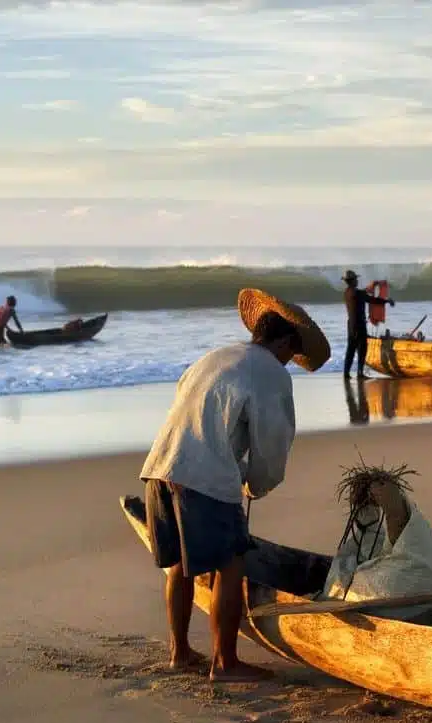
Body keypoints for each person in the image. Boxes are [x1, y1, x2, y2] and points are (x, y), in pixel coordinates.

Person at [139, 288, 330, 682]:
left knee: (180, 565)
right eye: (291, 352)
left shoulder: (214, 358)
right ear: (283, 342)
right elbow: (271, 445)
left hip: (159, 467)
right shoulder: (270, 373)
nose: (290, 361)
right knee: (232, 565)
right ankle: (225, 663)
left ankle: (180, 653)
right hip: (204, 478)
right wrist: (256, 485)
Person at [319, 462, 432, 622]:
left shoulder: (409, 566)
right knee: (382, 544)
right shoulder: (408, 555)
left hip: (407, 602)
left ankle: (396, 510)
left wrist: (394, 510)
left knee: (405, 544)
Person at [342, 270, 395, 380]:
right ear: (352, 281)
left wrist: (370, 287)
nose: (357, 281)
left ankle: (346, 374)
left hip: (351, 324)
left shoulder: (347, 292)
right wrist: (386, 301)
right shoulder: (357, 293)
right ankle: (360, 373)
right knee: (362, 348)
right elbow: (372, 300)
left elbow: (365, 294)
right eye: (356, 279)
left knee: (350, 349)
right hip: (359, 324)